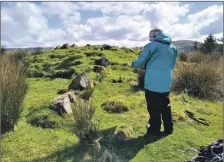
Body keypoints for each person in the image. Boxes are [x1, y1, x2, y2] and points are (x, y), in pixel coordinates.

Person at [131, 28, 178, 139]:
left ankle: (153, 131)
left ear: (153, 35)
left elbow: (140, 62)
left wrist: (132, 64)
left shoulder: (151, 45)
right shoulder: (173, 48)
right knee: (165, 105)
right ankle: (169, 128)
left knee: (153, 107)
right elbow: (172, 66)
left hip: (153, 83)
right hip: (166, 82)